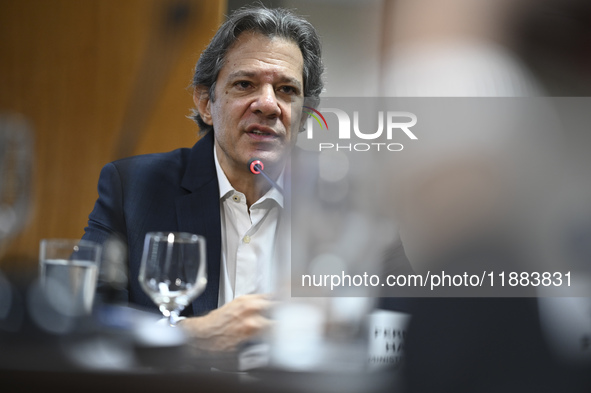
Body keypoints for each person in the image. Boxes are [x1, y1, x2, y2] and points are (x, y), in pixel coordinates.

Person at [82, 5, 324, 353]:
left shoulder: (345, 201)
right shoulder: (133, 187)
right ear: (206, 103)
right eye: (245, 84)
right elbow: (86, 318)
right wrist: (188, 336)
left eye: (287, 90)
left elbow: (397, 320)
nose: (268, 105)